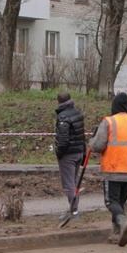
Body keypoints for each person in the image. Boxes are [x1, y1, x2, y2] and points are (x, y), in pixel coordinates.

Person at [89, 92, 127, 247]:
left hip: (113, 168)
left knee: (111, 202)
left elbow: (98, 145)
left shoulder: (109, 122)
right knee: (120, 203)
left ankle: (123, 223)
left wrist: (91, 142)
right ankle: (116, 233)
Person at [54, 92, 86, 226]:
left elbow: (63, 139)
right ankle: (74, 210)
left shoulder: (63, 117)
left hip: (68, 155)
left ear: (58, 102)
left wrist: (59, 153)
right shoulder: (77, 113)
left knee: (69, 185)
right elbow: (81, 134)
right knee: (74, 183)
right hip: (79, 151)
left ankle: (74, 212)